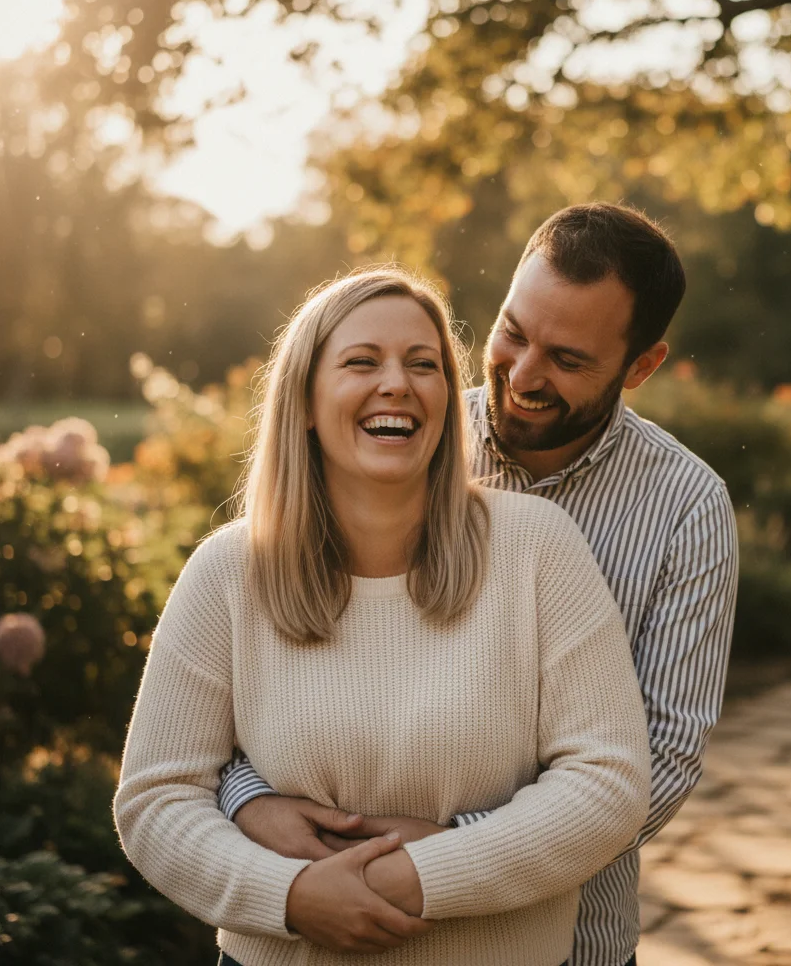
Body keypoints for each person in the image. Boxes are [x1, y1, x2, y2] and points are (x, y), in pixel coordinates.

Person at [218, 202, 740, 966]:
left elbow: (661, 755)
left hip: (563, 939)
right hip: (319, 918)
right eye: (514, 334)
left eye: (567, 359)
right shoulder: (399, 437)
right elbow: (244, 680)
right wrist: (251, 802)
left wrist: (454, 856)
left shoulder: (687, 508)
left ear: (641, 367)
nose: (524, 375)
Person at [113, 267, 652, 966]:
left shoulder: (538, 549)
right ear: (306, 401)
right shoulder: (227, 573)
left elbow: (607, 785)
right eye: (362, 362)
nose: (397, 383)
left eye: (422, 364)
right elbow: (157, 799)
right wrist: (293, 896)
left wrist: (416, 877)